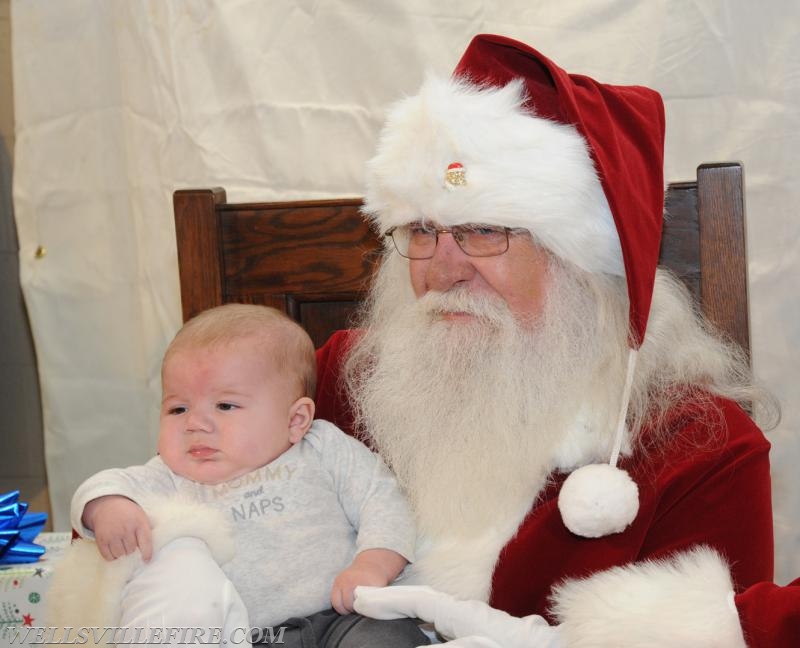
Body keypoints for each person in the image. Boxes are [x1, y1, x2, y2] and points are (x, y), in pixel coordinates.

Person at [305, 34, 798, 646]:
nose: (441, 269)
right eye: (424, 230)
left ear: (582, 268)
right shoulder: (342, 380)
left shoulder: (698, 451)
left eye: (484, 230)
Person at [65, 304, 429, 648]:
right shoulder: (169, 474)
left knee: (388, 635)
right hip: (251, 634)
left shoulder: (324, 449)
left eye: (225, 406)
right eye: (178, 408)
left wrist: (372, 565)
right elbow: (105, 484)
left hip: (345, 616)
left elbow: (383, 502)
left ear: (295, 420)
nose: (195, 424)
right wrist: (107, 507)